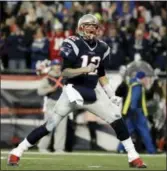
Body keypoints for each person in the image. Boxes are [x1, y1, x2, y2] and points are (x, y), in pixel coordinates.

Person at [8, 14, 146, 168]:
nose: (91, 30)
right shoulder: (72, 43)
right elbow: (65, 72)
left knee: (116, 118)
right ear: (81, 28)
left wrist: (110, 93)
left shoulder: (102, 47)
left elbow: (101, 73)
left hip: (93, 91)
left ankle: (133, 156)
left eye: (94, 27)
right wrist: (84, 69)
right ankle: (17, 151)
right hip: (73, 91)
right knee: (50, 125)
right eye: (88, 26)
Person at [117, 71, 156, 154]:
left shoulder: (133, 84)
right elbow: (134, 100)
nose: (146, 80)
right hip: (137, 112)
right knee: (144, 131)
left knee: (128, 131)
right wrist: (134, 112)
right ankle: (151, 150)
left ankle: (120, 148)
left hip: (132, 112)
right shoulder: (138, 86)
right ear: (142, 78)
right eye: (145, 78)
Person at [36, 59, 67, 153]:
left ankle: (59, 148)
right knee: (49, 126)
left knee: (62, 128)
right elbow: (40, 91)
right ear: (52, 66)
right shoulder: (48, 78)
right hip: (52, 103)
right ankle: (42, 147)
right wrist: (50, 89)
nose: (57, 67)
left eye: (59, 65)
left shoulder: (64, 78)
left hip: (63, 104)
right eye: (55, 65)